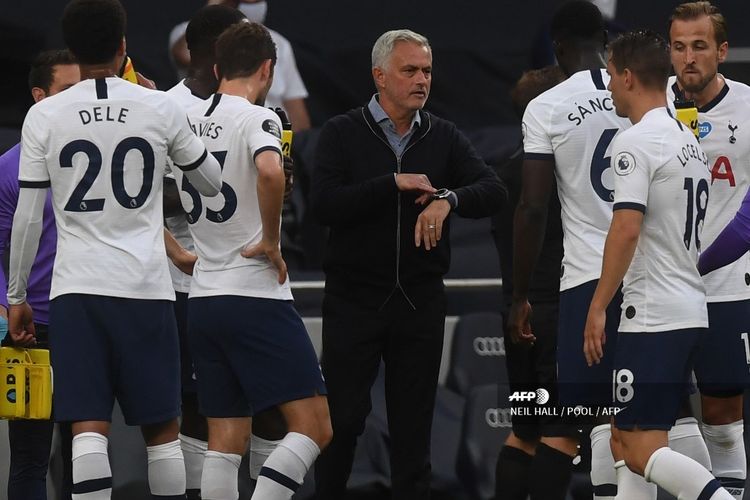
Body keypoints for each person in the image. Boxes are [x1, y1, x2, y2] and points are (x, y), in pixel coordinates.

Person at [6, 1, 222, 499]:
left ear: (74, 52)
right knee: (162, 434)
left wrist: (18, 296)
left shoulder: (45, 114)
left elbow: (28, 219)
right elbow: (209, 183)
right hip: (146, 287)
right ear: (123, 46)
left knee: (86, 430)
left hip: (77, 292)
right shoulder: (159, 105)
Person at [311, 28, 506, 499]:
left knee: (414, 430)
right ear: (380, 76)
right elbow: (323, 206)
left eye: (427, 71)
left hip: (419, 303)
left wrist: (449, 198)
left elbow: (494, 191)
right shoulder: (341, 132)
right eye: (410, 70)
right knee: (343, 422)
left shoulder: (444, 135)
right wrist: (390, 184)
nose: (422, 80)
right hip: (354, 302)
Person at [174, 21, 331, 500]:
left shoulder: (185, 121)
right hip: (254, 294)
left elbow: (140, 201)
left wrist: (176, 251)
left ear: (217, 67)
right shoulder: (258, 117)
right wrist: (270, 239)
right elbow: (268, 169)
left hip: (203, 297)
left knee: (225, 441)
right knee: (315, 428)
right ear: (268, 69)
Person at [582, 29, 734, 500]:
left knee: (637, 447)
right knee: (637, 444)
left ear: (627, 77)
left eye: (609, 77)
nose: (608, 88)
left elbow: (626, 228)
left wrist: (598, 305)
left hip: (652, 315)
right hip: (688, 306)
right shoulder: (684, 139)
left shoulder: (636, 142)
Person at [508, 3, 632, 498]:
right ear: (605, 40)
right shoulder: (644, 97)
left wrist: (517, 299)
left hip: (554, 303)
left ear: (557, 50)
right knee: (633, 415)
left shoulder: (511, 162)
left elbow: (530, 211)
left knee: (539, 430)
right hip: (630, 279)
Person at [668, 3, 750, 498]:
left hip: (726, 287)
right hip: (660, 291)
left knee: (722, 418)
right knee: (666, 416)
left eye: (699, 46)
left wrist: (695, 265)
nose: (688, 58)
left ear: (721, 50)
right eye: (678, 47)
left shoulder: (749, 106)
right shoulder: (649, 107)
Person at [0, 49, 78, 500]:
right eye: (66, 91)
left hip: (86, 325)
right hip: (30, 336)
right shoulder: (9, 170)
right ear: (38, 96)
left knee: (83, 452)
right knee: (29, 457)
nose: (75, 102)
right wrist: (10, 308)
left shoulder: (102, 166)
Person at [491, 65, 566, 500]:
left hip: (516, 317)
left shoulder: (502, 176)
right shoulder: (562, 177)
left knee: (524, 431)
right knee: (563, 432)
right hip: (555, 314)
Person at [169, 0, 311, 131]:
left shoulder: (280, 43)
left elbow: (298, 118)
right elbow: (183, 54)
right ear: (219, 69)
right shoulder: (174, 110)